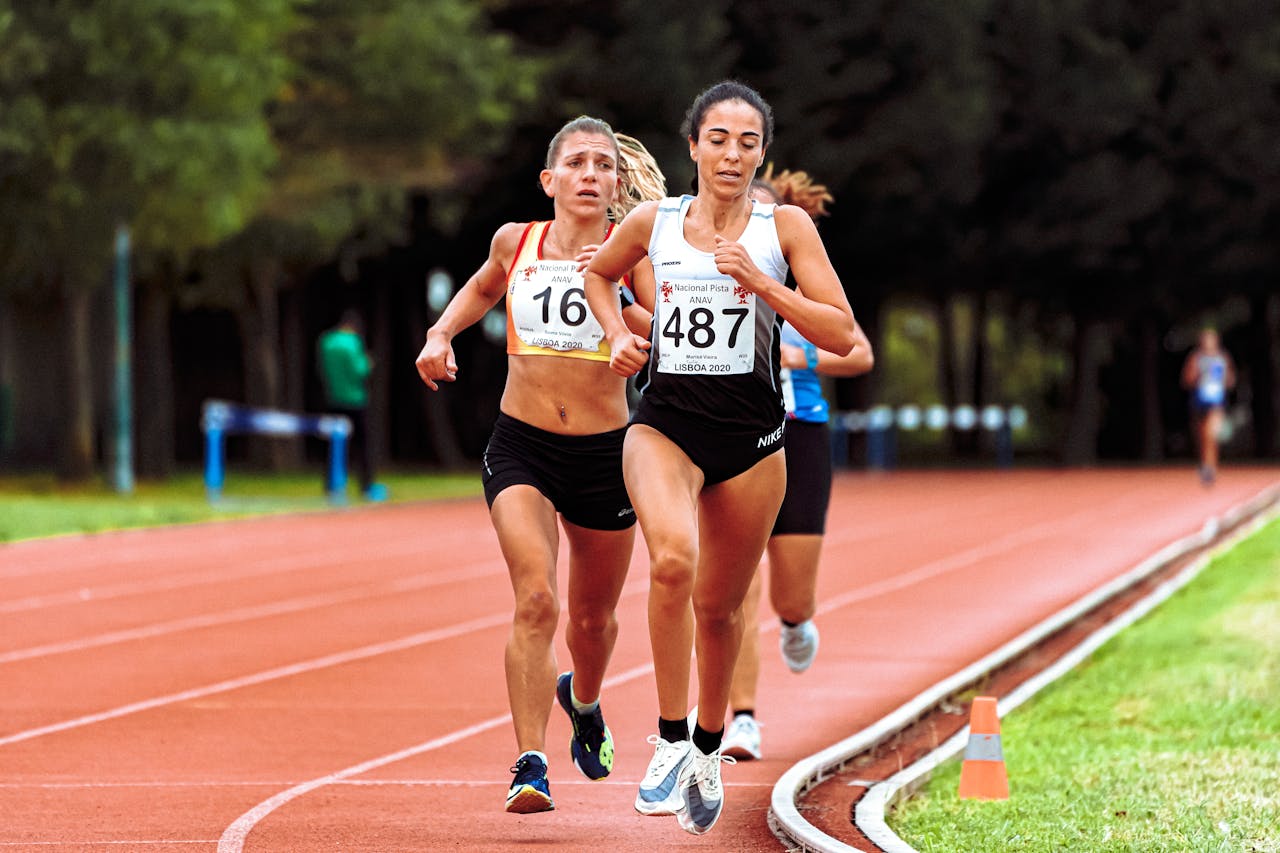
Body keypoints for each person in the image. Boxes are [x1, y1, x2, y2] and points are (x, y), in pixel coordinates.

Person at [583, 80, 858, 836]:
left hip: (753, 440)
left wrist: (764, 284)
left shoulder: (786, 227)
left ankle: (709, 742)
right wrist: (616, 335)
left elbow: (840, 333)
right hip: (664, 425)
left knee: (720, 606)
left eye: (747, 141)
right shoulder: (655, 221)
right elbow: (598, 274)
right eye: (718, 139)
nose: (732, 154)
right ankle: (671, 739)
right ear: (694, 145)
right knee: (672, 560)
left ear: (762, 151)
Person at [414, 116, 663, 814]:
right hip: (521, 442)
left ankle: (583, 699)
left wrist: (624, 322)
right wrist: (440, 334)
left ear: (617, 184)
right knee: (536, 599)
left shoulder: (632, 251)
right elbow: (483, 288)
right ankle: (529, 762)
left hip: (606, 454)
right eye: (577, 162)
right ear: (550, 180)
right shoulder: (515, 241)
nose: (591, 174)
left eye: (604, 165)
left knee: (593, 620)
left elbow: (661, 323)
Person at [720, 172, 874, 761]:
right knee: (734, 587)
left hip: (801, 435)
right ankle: (743, 719)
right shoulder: (709, 274)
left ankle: (795, 621)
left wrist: (799, 350)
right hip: (731, 434)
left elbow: (859, 352)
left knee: (790, 598)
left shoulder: (802, 283)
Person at [317, 310, 385, 500]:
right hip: (355, 400)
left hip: (333, 398)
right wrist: (368, 363)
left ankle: (332, 485)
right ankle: (366, 486)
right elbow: (359, 370)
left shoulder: (327, 341)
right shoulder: (353, 343)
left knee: (334, 444)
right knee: (363, 446)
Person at [1181, 326, 1235, 485]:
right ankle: (1204, 463)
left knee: (1210, 435)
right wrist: (1197, 377)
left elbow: (1230, 379)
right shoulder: (1195, 358)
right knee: (1200, 436)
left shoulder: (1222, 357)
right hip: (1199, 400)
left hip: (1216, 401)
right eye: (1205, 339)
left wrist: (1222, 381)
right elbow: (1187, 379)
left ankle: (1210, 467)